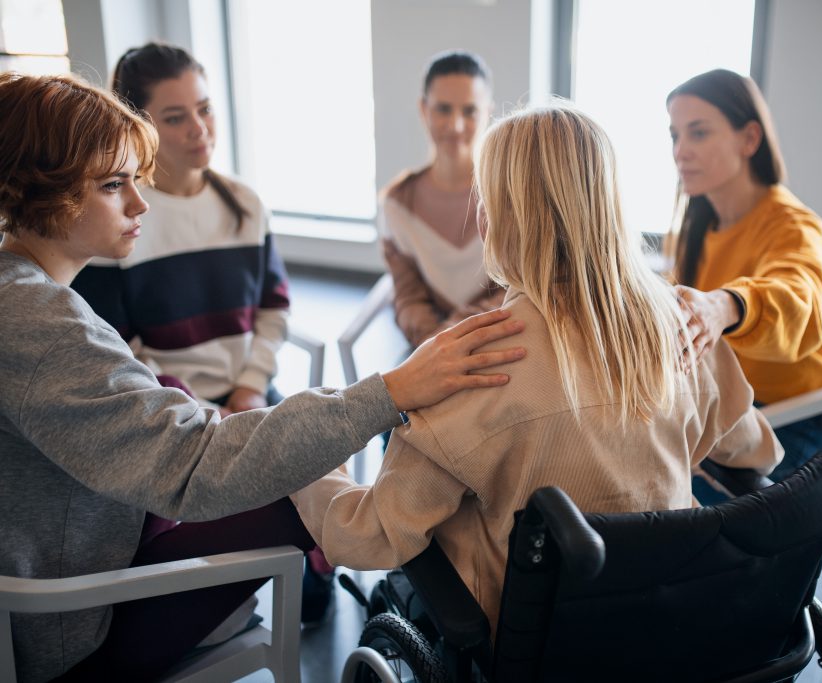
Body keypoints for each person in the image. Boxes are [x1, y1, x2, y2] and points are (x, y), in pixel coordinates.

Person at [0, 71, 525, 682]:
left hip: (85, 549)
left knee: (189, 402)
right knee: (297, 494)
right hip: (70, 629)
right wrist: (393, 391)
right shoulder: (40, 324)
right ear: (42, 191)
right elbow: (193, 462)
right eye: (114, 186)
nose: (141, 203)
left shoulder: (27, 295)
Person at [290, 104, 782, 634]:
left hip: (531, 636)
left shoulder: (474, 367)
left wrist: (310, 457)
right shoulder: (688, 325)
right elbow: (755, 451)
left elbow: (367, 534)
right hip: (665, 618)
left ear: (497, 216)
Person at [72, 43, 286, 415]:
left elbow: (274, 308)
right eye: (175, 118)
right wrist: (202, 410)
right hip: (165, 412)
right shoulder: (114, 217)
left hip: (252, 401)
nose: (199, 129)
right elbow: (116, 348)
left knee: (334, 466)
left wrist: (252, 387)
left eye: (205, 109)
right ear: (137, 127)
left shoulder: (246, 204)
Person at [665, 68, 822, 485]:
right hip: (728, 406)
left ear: (749, 139)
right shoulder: (700, 224)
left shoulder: (795, 226)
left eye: (699, 133)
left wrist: (725, 305)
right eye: (675, 135)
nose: (681, 151)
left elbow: (798, 302)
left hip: (788, 422)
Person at [378, 50, 504, 347]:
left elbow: (520, 290)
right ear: (424, 109)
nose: (456, 126)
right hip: (430, 349)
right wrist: (434, 343)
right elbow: (407, 296)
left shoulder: (512, 195)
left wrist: (453, 334)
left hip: (503, 342)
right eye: (443, 109)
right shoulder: (397, 203)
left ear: (488, 112)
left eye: (470, 111)